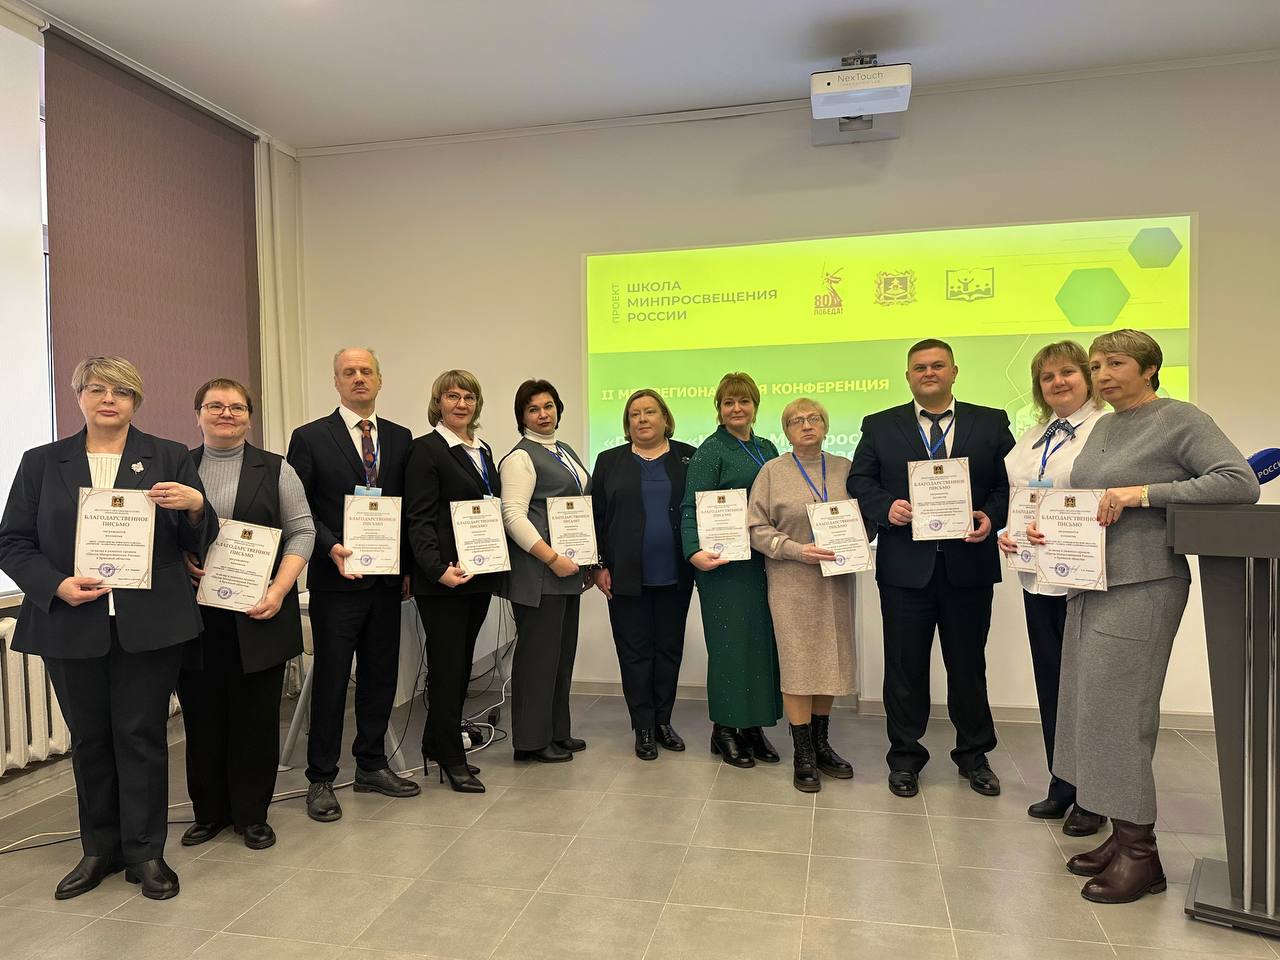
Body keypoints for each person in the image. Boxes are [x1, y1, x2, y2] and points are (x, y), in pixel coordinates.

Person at [1028, 329, 1258, 904]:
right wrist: (1049, 531)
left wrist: (1142, 494)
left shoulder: (1180, 418)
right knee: (1088, 712)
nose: (1103, 375)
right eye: (1096, 365)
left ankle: (1140, 854)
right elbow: (1091, 502)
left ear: (1149, 368)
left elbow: (1239, 481)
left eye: (1116, 363)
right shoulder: (1106, 426)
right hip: (1091, 583)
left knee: (1119, 715)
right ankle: (1119, 833)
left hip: (1144, 584)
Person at [0, 357, 218, 901]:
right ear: (78, 396)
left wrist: (197, 508)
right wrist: (55, 585)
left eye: (121, 391)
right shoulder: (41, 462)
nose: (108, 399)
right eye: (96, 389)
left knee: (141, 737)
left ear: (135, 401)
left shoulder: (168, 455)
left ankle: (146, 853)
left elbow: (196, 544)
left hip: (150, 624)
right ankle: (99, 849)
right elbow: (13, 542)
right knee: (90, 739)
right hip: (72, 621)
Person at [848, 338, 1014, 798]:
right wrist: (886, 507)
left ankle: (974, 756)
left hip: (969, 565)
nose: (929, 373)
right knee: (904, 669)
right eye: (919, 367)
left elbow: (1009, 484)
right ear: (908, 376)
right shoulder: (880, 425)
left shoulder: (990, 421)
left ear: (954, 372)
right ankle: (905, 759)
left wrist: (991, 516)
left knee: (968, 666)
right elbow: (860, 479)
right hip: (905, 569)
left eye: (938, 365)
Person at [178, 378, 315, 850]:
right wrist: (180, 558)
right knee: (202, 717)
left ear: (249, 418)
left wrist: (279, 590)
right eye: (214, 405)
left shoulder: (276, 468)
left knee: (255, 720)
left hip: (261, 610)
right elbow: (160, 532)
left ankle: (253, 815)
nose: (226, 414)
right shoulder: (180, 467)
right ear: (198, 415)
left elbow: (302, 532)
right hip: (195, 616)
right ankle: (209, 813)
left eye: (236, 407)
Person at [286, 347, 419, 822]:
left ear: (380, 380)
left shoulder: (401, 438)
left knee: (380, 675)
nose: (358, 378)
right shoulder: (309, 437)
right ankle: (321, 777)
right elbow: (298, 506)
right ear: (336, 382)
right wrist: (330, 547)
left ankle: (371, 765)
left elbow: (407, 507)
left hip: (385, 580)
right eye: (349, 372)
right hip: (335, 579)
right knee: (331, 680)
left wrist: (407, 566)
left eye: (366, 371)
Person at [996, 342, 1107, 838]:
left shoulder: (1106, 429)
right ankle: (1062, 781)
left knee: (1089, 689)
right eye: (1047, 377)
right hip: (1037, 576)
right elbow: (1021, 497)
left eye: (1067, 373)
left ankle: (1094, 794)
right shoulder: (1033, 436)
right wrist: (1008, 530)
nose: (1057, 382)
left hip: (1086, 578)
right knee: (1052, 681)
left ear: (1087, 376)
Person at [748, 398, 855, 792]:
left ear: (825, 425)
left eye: (813, 418)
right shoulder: (772, 471)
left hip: (835, 580)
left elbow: (864, 518)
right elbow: (756, 528)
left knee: (830, 659)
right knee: (798, 662)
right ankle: (803, 752)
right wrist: (797, 550)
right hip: (791, 579)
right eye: (797, 421)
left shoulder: (845, 468)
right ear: (786, 431)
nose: (806, 425)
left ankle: (822, 744)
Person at [405, 370, 503, 792]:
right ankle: (450, 755)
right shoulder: (426, 449)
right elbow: (419, 517)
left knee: (461, 664)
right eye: (452, 396)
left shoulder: (483, 449)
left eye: (469, 397)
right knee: (447, 668)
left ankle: (435, 740)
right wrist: (435, 568)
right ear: (438, 403)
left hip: (477, 574)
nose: (461, 404)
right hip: (444, 579)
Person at [680, 372, 783, 768]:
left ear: (755, 405)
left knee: (760, 644)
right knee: (729, 647)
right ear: (719, 409)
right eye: (728, 402)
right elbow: (691, 506)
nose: (736, 408)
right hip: (722, 565)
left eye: (743, 401)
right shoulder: (711, 450)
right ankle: (724, 728)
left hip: (763, 562)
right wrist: (694, 551)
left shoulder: (767, 447)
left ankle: (753, 726)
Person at [591, 389, 696, 760]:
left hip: (676, 574)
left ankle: (663, 721)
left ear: (665, 418)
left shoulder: (688, 457)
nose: (642, 419)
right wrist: (599, 565)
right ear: (627, 423)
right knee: (634, 653)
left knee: (668, 649)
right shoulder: (609, 462)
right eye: (634, 414)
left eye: (650, 412)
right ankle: (644, 727)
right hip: (625, 576)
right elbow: (595, 518)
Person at [499, 379, 591, 763]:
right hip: (539, 575)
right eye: (533, 409)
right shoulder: (520, 458)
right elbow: (512, 516)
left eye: (549, 406)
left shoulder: (564, 450)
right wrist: (552, 558)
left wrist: (587, 561)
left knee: (560, 657)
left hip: (567, 572)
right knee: (538, 660)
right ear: (522, 416)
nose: (543, 414)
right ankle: (531, 742)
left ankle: (556, 731)